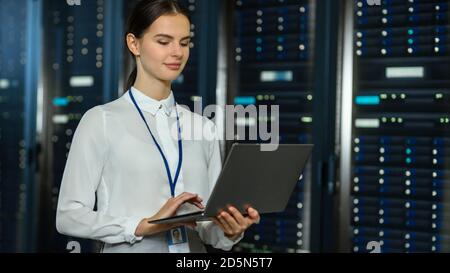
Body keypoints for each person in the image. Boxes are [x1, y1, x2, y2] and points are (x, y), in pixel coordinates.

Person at [55, 0, 260, 253]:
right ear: (134, 44)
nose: (177, 52)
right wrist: (141, 226)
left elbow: (208, 228)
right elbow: (68, 215)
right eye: (164, 42)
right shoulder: (101, 121)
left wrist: (230, 230)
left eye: (184, 43)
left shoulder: (203, 127)